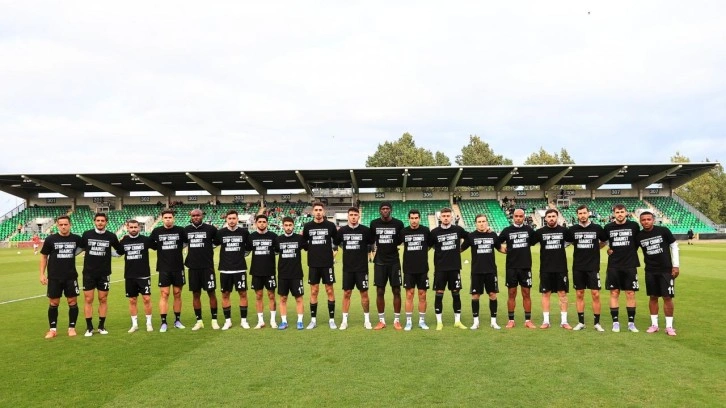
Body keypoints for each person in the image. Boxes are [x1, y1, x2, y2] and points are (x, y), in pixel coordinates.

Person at [39, 215, 82, 338]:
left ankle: (71, 328)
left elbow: (85, 246)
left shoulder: (76, 238)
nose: (63, 227)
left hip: (70, 276)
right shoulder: (50, 239)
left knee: (72, 302)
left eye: (65, 224)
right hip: (54, 277)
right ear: (57, 225)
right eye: (61, 224)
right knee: (54, 302)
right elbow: (44, 256)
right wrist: (42, 274)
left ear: (70, 225)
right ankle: (52, 330)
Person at [637, 212, 680, 336]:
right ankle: (654, 325)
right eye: (643, 220)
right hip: (650, 270)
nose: (646, 221)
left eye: (648, 219)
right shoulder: (639, 236)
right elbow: (630, 250)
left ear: (653, 220)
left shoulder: (663, 231)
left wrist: (676, 265)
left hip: (666, 270)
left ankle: (669, 327)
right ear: (640, 221)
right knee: (653, 297)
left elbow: (674, 246)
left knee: (667, 297)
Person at [80, 212, 123, 336]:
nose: (100, 223)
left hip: (104, 273)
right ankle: (89, 327)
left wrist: (111, 253)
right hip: (88, 273)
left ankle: (101, 326)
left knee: (103, 299)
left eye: (102, 221)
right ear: (94, 221)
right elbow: (80, 248)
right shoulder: (87, 234)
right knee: (88, 299)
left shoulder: (111, 236)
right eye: (98, 220)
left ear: (106, 222)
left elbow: (120, 250)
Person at [531, 209, 575, 330]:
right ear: (545, 218)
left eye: (553, 216)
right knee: (546, 294)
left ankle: (564, 321)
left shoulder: (564, 231)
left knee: (562, 294)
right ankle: (546, 321)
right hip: (545, 268)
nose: (551, 218)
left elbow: (572, 240)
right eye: (549, 216)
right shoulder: (540, 232)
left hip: (561, 268)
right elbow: (530, 241)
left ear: (557, 217)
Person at [460, 214, 504, 330]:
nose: (481, 223)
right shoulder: (471, 236)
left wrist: (515, 250)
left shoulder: (493, 235)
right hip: (477, 271)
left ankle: (493, 322)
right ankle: (476, 322)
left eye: (483, 221)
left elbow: (501, 248)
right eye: (479, 222)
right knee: (475, 296)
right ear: (476, 223)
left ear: (487, 222)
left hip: (491, 271)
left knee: (493, 295)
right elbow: (461, 249)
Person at [569, 205, 608, 332]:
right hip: (578, 266)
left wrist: (597, 247)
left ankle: (597, 323)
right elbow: (568, 242)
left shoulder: (597, 228)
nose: (582, 215)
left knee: (595, 294)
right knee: (579, 293)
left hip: (593, 266)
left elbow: (604, 241)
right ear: (577, 215)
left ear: (588, 213)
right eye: (580, 213)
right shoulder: (573, 229)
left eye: (584, 213)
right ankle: (581, 322)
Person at [429, 207, 468, 330]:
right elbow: (428, 246)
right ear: (440, 217)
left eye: (448, 216)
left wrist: (461, 248)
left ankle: (457, 321)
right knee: (439, 294)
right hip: (440, 268)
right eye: (444, 216)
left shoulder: (458, 229)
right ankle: (439, 322)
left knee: (456, 294)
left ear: (451, 217)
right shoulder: (434, 232)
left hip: (454, 268)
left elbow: (470, 238)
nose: (446, 218)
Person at [604, 204, 641, 333]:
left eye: (622, 212)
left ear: (626, 213)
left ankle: (631, 323)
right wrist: (608, 249)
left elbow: (637, 242)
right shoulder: (608, 227)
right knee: (614, 293)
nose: (620, 214)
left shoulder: (634, 226)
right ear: (614, 214)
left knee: (630, 293)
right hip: (614, 265)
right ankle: (615, 323)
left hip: (630, 264)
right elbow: (604, 241)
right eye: (617, 212)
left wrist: (630, 252)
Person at [335, 207, 374, 330]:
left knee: (364, 293)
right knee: (347, 293)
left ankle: (367, 320)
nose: (353, 217)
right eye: (351, 215)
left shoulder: (365, 230)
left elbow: (371, 242)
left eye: (355, 215)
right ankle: (344, 321)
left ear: (359, 216)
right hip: (348, 268)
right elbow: (337, 242)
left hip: (362, 268)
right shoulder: (342, 231)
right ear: (348, 216)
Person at [150, 209, 188, 332]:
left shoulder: (180, 230)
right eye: (166, 217)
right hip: (164, 268)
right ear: (162, 219)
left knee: (177, 294)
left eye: (170, 217)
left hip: (178, 267)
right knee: (164, 294)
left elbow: (187, 242)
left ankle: (177, 320)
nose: (168, 219)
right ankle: (163, 322)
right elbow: (151, 244)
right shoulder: (157, 231)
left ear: (173, 219)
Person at [498, 208, 537, 329]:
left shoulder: (529, 230)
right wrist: (503, 250)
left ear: (524, 217)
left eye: (521, 216)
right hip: (511, 267)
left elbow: (534, 241)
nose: (518, 218)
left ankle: (528, 320)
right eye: (516, 216)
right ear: (513, 217)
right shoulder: (507, 230)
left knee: (526, 293)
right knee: (511, 293)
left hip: (525, 266)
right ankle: (511, 320)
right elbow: (497, 243)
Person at [302, 202, 339, 329]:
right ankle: (313, 320)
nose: (318, 212)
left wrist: (332, 251)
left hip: (327, 264)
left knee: (329, 290)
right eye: (316, 210)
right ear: (313, 212)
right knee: (314, 291)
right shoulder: (308, 226)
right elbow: (304, 242)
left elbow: (337, 240)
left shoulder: (330, 225)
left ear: (324, 212)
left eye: (320, 210)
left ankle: (331, 320)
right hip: (313, 264)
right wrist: (311, 249)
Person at [369, 201, 405, 330]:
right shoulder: (374, 224)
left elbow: (400, 240)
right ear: (380, 210)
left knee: (396, 290)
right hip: (380, 262)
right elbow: (371, 239)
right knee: (380, 291)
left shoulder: (398, 224)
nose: (385, 210)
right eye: (383, 208)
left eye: (387, 208)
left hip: (394, 261)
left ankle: (397, 320)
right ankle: (381, 321)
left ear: (391, 210)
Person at [215, 210, 252, 330]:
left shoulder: (244, 232)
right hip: (225, 269)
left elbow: (248, 248)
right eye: (229, 218)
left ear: (237, 219)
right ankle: (228, 321)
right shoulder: (220, 233)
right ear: (226, 219)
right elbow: (214, 244)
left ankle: (244, 321)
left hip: (240, 268)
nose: (231, 221)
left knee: (243, 293)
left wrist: (240, 256)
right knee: (225, 294)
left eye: (234, 218)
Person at [184, 209, 220, 331]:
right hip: (193, 267)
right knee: (195, 294)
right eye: (193, 215)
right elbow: (183, 243)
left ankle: (214, 320)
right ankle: (199, 321)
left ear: (202, 216)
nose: (196, 217)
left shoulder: (211, 229)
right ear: (191, 216)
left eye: (198, 215)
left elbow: (217, 241)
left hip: (207, 267)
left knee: (211, 293)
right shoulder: (186, 230)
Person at [118, 219, 155, 333]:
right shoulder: (124, 240)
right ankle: (134, 324)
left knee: (146, 299)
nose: (133, 229)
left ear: (139, 228)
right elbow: (118, 253)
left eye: (135, 227)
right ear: (127, 228)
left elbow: (157, 247)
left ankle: (149, 323)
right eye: (131, 227)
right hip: (130, 276)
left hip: (144, 275)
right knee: (132, 300)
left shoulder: (145, 240)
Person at [400, 209, 431, 330]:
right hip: (408, 269)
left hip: (422, 269)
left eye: (416, 218)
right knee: (409, 294)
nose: (414, 220)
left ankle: (422, 321)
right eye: (412, 218)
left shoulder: (425, 230)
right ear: (409, 219)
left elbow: (430, 244)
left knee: (422, 295)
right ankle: (409, 322)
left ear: (419, 218)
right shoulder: (404, 232)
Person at [275, 217, 308, 330]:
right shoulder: (278, 239)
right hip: (283, 274)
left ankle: (300, 321)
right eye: (286, 225)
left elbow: (308, 248)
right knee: (283, 298)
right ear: (283, 226)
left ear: (293, 225)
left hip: (296, 274)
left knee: (299, 298)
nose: (288, 227)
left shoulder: (299, 238)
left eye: (290, 225)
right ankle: (284, 321)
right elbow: (274, 252)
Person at [248, 214, 278, 329]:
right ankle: (260, 321)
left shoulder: (273, 236)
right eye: (259, 222)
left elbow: (277, 250)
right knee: (258, 295)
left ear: (267, 223)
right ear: (256, 223)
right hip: (256, 271)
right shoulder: (251, 237)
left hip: (269, 271)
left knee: (271, 295)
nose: (262, 224)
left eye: (264, 222)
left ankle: (272, 320)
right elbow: (247, 250)